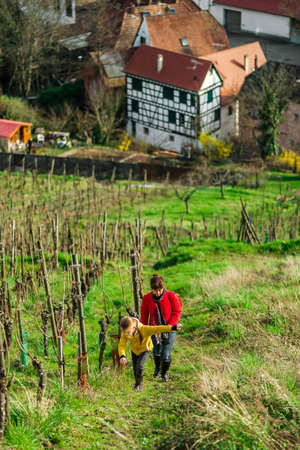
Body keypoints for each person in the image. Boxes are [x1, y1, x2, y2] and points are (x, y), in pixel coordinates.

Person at [118, 316, 182, 391]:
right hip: (134, 350)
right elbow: (121, 344)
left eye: (128, 332)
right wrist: (122, 355)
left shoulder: (144, 329)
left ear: (134, 328)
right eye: (125, 333)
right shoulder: (125, 331)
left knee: (140, 366)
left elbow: (158, 328)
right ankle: (137, 383)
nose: (126, 334)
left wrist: (173, 328)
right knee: (135, 368)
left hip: (145, 349)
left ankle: (138, 385)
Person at [140, 274, 182, 382]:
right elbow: (144, 316)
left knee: (165, 353)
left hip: (170, 328)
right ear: (152, 289)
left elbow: (177, 312)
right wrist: (144, 330)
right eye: (155, 290)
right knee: (157, 351)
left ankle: (164, 373)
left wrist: (170, 326)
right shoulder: (146, 298)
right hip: (155, 329)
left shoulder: (170, 296)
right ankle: (157, 369)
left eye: (159, 290)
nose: (157, 292)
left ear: (163, 287)